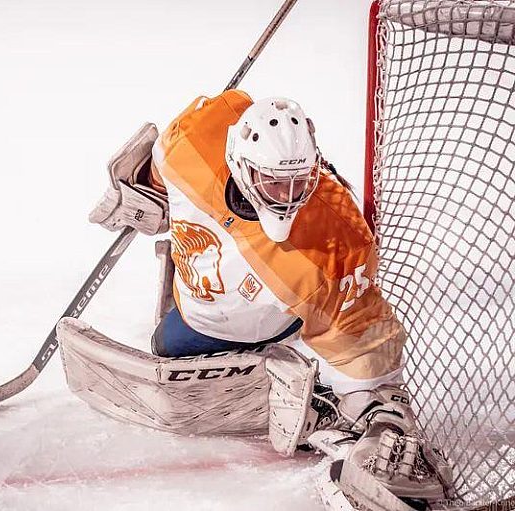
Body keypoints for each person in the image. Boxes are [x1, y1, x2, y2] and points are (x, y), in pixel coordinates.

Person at [86, 90, 451, 504]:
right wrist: (145, 192)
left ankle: (298, 361)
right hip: (201, 301)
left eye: (299, 182)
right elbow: (157, 163)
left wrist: (379, 406)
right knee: (167, 344)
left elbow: (360, 330)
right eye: (273, 182)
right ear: (242, 164)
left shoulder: (332, 244)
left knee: (302, 317)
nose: (286, 195)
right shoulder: (191, 140)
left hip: (271, 315)